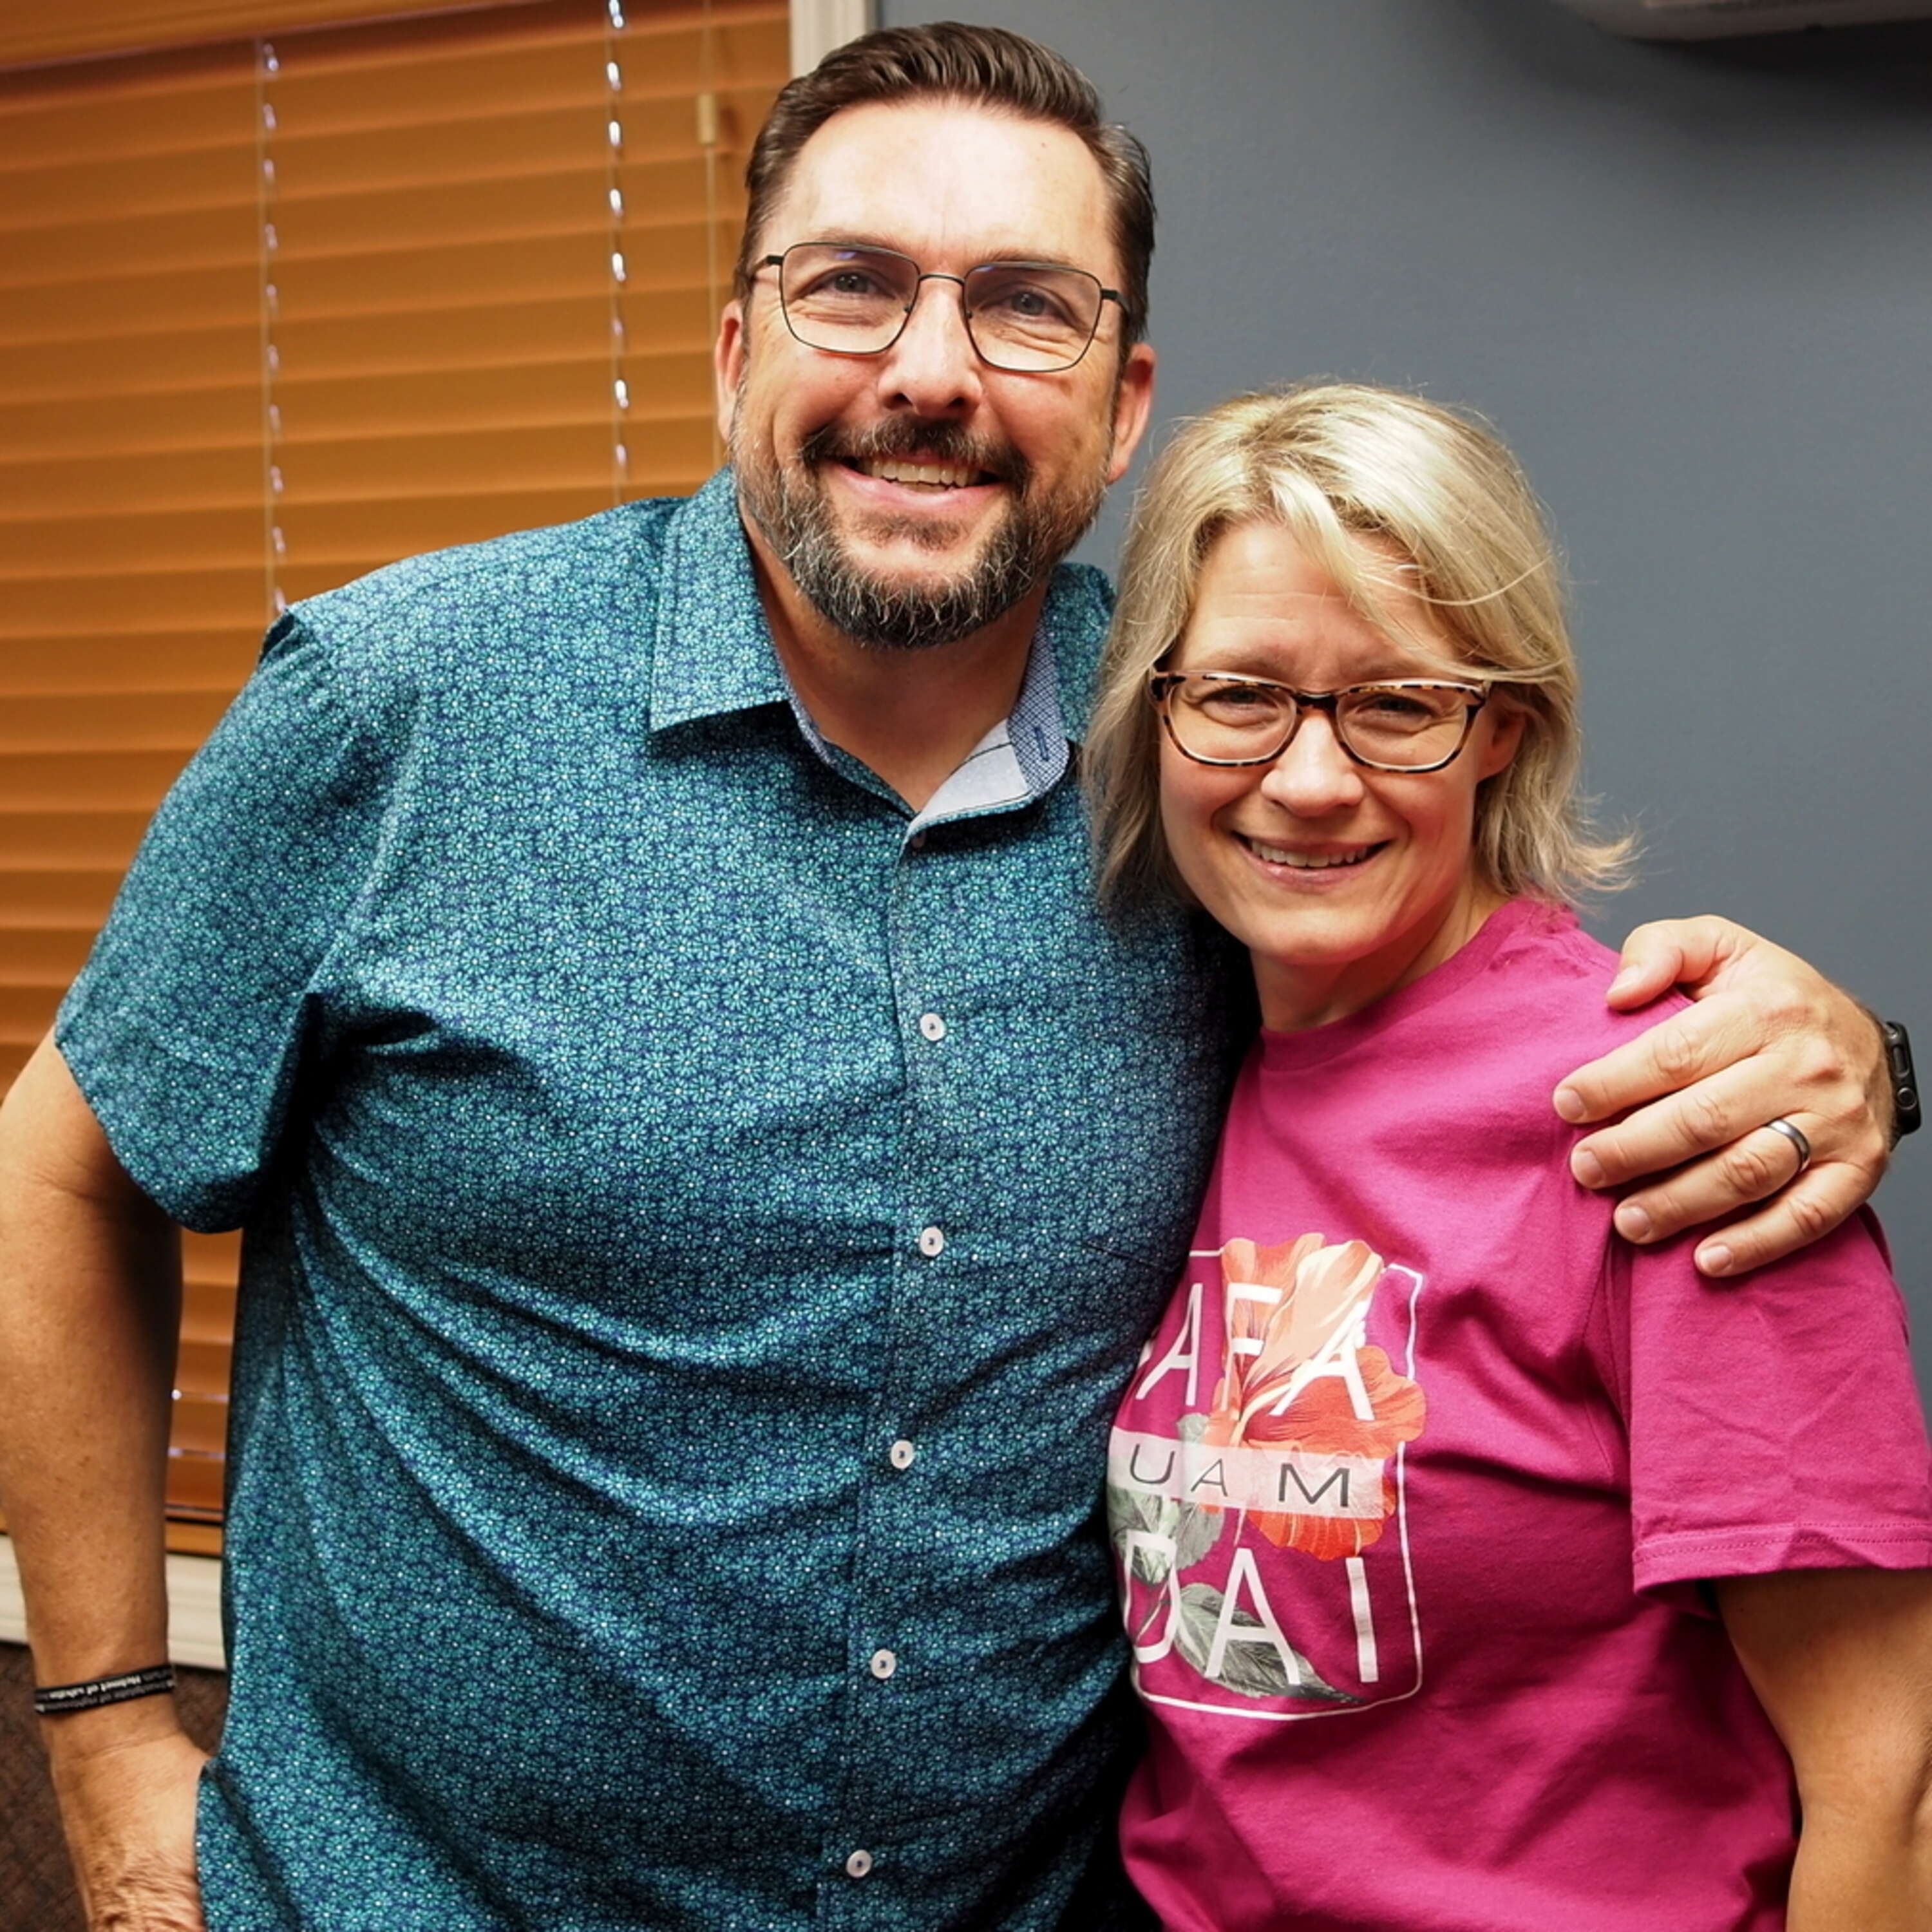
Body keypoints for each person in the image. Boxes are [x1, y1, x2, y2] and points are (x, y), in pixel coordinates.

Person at [0, 26, 1905, 1932]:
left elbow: (1451, 1047)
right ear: (736, 343)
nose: (929, 374)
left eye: (1024, 308)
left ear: (1124, 391)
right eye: (852, 287)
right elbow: (62, 1172)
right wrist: (104, 1736)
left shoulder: (1203, 759)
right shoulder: (404, 704)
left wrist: (1859, 1060)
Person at [1085, 382, 1932, 1931]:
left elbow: (1894, 1802)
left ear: (1504, 732)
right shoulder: (1177, 1038)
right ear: (1155, 711)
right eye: (1239, 693)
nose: (1311, 777)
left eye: (1398, 704)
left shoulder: (1678, 1113)